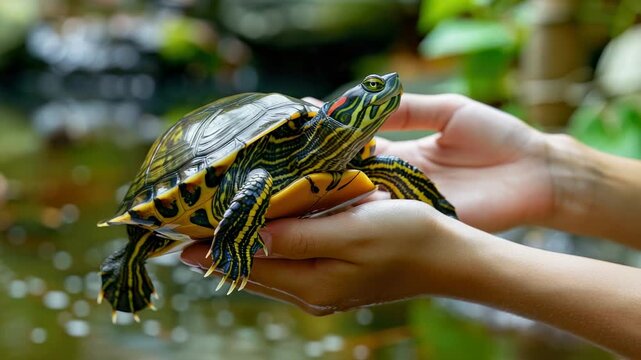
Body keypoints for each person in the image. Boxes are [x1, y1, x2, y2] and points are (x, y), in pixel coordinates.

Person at [180, 93, 641, 357]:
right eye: (375, 87)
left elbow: (395, 183)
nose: (390, 88)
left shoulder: (354, 161)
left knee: (388, 168)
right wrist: (557, 176)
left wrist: (459, 259)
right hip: (216, 184)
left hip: (271, 184)